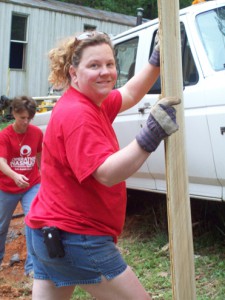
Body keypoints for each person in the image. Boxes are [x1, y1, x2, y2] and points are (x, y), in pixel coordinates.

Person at [25, 31, 180, 300]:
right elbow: (107, 173)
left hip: (47, 232)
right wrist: (150, 135)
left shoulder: (90, 101)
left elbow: (130, 92)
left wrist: (156, 61)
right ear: (74, 73)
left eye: (110, 64)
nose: (105, 72)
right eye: (94, 65)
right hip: (76, 237)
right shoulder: (78, 114)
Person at [0, 96, 43, 276]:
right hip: (7, 186)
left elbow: (39, 156)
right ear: (14, 113)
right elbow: (1, 162)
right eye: (22, 118)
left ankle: (32, 267)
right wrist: (15, 175)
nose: (25, 122)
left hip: (31, 184)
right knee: (1, 226)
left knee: (33, 222)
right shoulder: (4, 135)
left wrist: (43, 175)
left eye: (29, 118)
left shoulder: (37, 133)